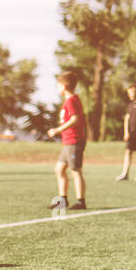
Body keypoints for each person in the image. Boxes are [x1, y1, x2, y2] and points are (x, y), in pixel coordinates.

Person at [47, 71, 87, 211]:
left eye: (58, 86)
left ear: (64, 86)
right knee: (59, 169)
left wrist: (57, 130)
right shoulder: (69, 101)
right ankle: (62, 199)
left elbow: (75, 119)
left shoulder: (71, 101)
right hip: (67, 142)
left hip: (74, 141)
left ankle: (81, 201)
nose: (58, 89)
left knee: (75, 170)